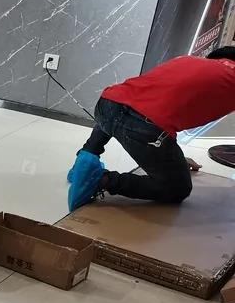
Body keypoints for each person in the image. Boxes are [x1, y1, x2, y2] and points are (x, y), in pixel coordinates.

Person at [67, 47, 235, 210]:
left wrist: (175, 160)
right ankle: (101, 179)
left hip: (106, 104)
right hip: (142, 125)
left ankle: (85, 160)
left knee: (125, 102)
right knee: (178, 188)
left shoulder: (187, 60)